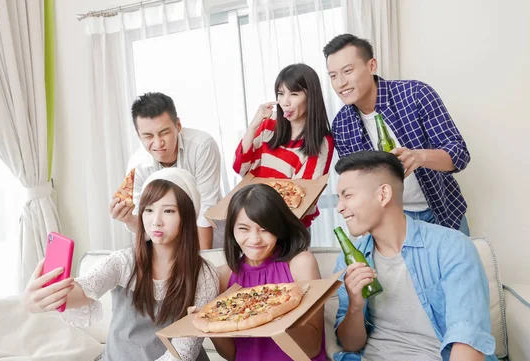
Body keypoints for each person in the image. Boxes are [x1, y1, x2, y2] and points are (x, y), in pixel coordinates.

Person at [25, 168, 220, 361]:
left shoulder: (204, 275)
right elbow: (86, 288)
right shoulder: (124, 261)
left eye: (168, 211)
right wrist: (43, 297)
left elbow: (182, 351)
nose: (155, 221)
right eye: (148, 210)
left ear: (187, 216)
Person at [332, 151, 509, 361]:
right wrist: (355, 305)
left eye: (347, 195)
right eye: (338, 197)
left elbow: (466, 338)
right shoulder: (348, 260)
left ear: (383, 194)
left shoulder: (451, 247)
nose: (340, 207)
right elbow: (351, 345)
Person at [324, 34, 471, 235]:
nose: (340, 83)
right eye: (333, 76)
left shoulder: (416, 94)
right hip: (392, 223)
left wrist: (419, 157)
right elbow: (358, 184)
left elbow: (459, 154)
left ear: (372, 65)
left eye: (347, 71)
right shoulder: (341, 125)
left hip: (444, 213)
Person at [202, 184, 334, 361]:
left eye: (264, 229)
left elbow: (310, 347)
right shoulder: (222, 276)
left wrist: (272, 314)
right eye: (243, 229)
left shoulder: (300, 263)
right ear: (232, 230)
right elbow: (235, 357)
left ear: (279, 228)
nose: (254, 239)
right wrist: (208, 326)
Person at [110, 92, 222, 249]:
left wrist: (202, 264)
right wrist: (128, 218)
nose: (158, 143)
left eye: (164, 133)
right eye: (148, 136)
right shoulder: (139, 165)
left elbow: (205, 210)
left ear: (178, 126)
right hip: (166, 245)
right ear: (138, 135)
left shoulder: (202, 146)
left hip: (208, 236)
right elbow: (144, 226)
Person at [233, 63, 334, 228]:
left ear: (311, 97)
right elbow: (241, 168)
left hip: (290, 224)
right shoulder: (268, 124)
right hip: (254, 217)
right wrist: (252, 126)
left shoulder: (321, 142)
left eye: (294, 94)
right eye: (280, 93)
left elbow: (301, 195)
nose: (284, 102)